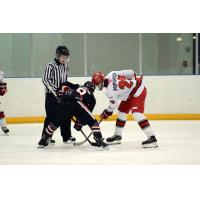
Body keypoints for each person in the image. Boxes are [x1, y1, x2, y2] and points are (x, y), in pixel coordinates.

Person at [91, 69, 158, 148]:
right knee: (121, 112)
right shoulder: (112, 74)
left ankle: (152, 138)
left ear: (102, 81)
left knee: (137, 113)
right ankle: (117, 136)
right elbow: (130, 72)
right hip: (129, 93)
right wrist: (134, 78)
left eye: (98, 84)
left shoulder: (110, 91)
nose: (98, 86)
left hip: (138, 91)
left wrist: (107, 112)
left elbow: (113, 105)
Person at [38, 81, 108, 149]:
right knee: (93, 121)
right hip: (76, 102)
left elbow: (65, 83)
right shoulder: (92, 98)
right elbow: (86, 115)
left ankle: (44, 139)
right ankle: (99, 139)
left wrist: (59, 92)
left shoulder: (76, 86)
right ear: (92, 89)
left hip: (62, 102)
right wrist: (79, 123)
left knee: (55, 122)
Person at [42, 45, 75, 144]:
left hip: (62, 95)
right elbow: (45, 80)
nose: (64, 59)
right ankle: (46, 137)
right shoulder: (51, 65)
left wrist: (66, 90)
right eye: (62, 57)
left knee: (66, 115)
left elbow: (64, 80)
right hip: (51, 95)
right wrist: (56, 90)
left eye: (66, 57)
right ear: (57, 55)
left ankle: (66, 136)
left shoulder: (65, 66)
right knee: (51, 116)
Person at [0, 71, 9, 135]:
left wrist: (3, 89)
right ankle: (4, 127)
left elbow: (2, 91)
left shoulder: (1, 73)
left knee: (0, 113)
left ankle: (4, 127)